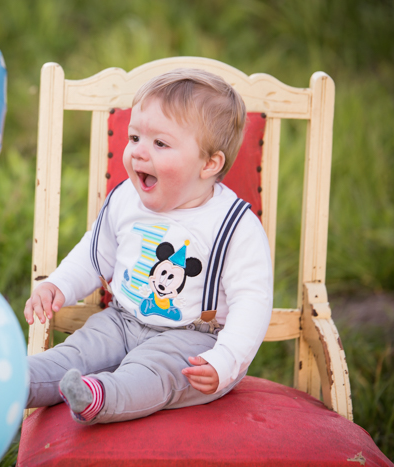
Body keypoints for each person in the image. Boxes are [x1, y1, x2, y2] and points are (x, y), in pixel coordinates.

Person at [24, 68, 273, 424]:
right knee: (77, 351)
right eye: (135, 137)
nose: (138, 152)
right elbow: (94, 256)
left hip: (193, 340)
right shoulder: (126, 199)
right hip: (122, 320)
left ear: (209, 163)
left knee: (156, 373)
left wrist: (227, 359)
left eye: (160, 143)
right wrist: (58, 285)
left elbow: (253, 302)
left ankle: (101, 397)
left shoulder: (235, 225)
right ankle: (19, 381)